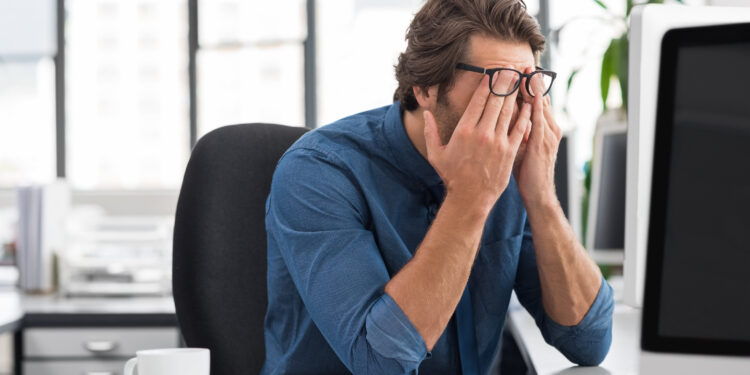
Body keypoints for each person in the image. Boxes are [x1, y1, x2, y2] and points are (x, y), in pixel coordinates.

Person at [261, 0, 614, 373]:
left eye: (526, 86)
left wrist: (540, 196)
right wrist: (470, 198)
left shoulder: (513, 171)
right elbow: (381, 363)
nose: (514, 110)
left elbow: (589, 342)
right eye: (498, 85)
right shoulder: (319, 171)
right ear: (426, 88)